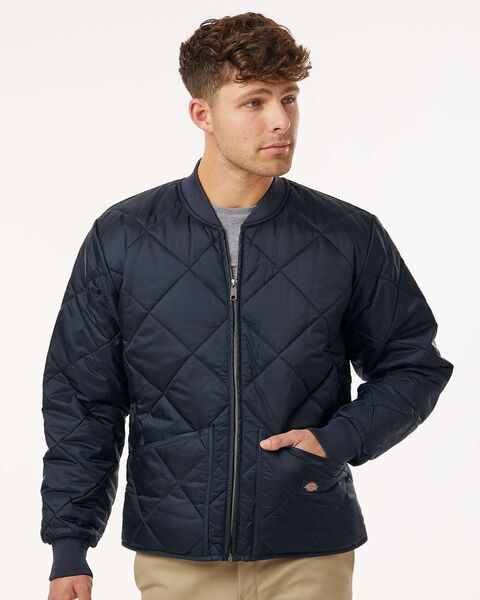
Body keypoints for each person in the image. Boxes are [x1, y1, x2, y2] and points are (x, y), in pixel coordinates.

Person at [40, 11, 454, 600]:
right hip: (176, 555)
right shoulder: (124, 236)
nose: (281, 119)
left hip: (308, 549)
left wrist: (338, 440)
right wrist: (70, 548)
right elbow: (84, 400)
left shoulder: (347, 235)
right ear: (202, 114)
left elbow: (414, 365)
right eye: (254, 101)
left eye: (289, 98)